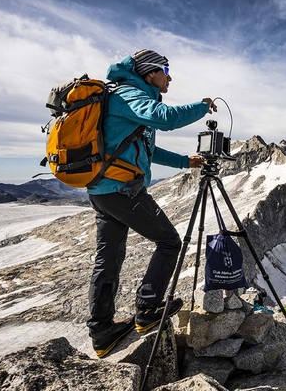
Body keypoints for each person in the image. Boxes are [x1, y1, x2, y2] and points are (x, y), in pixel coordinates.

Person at [86, 49, 217, 358]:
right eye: (165, 70)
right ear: (149, 73)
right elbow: (166, 119)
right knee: (170, 242)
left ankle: (102, 332)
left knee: (109, 258)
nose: (169, 76)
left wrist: (187, 161)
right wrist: (202, 106)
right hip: (122, 191)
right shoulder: (128, 95)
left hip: (104, 190)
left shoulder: (127, 98)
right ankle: (147, 310)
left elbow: (148, 150)